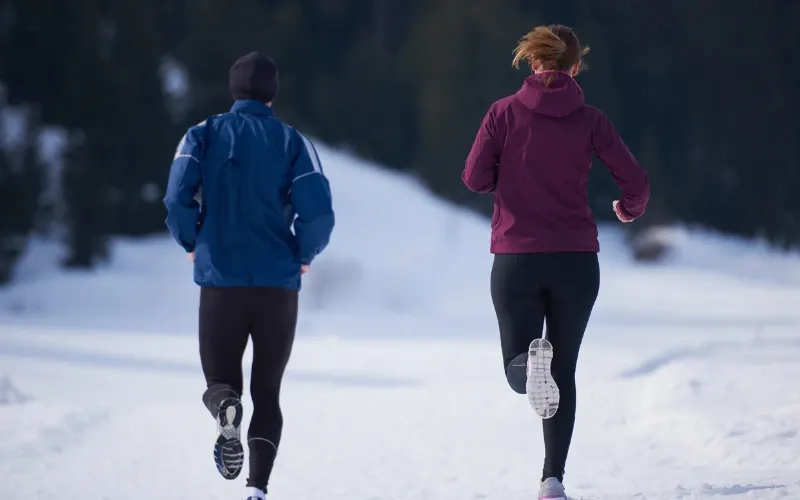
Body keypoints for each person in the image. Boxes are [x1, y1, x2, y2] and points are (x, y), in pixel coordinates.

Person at [462, 25, 650, 500]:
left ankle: (529, 369)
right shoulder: (591, 120)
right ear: (574, 65)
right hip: (576, 261)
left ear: (533, 61)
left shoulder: (501, 113)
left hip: (517, 257)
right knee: (563, 370)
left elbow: (473, 177)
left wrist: (503, 182)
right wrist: (627, 209)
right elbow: (637, 181)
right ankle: (552, 481)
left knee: (519, 366)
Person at [164, 51, 335, 500]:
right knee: (269, 392)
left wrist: (190, 241)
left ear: (233, 89)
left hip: (221, 280)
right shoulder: (292, 141)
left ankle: (225, 407)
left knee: (220, 382)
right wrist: (303, 253)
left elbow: (177, 197)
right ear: (273, 93)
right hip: (277, 285)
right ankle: (256, 488)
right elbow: (318, 213)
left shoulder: (201, 134)